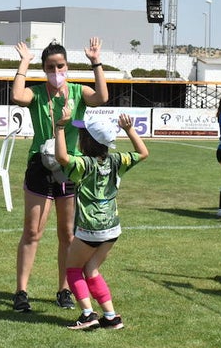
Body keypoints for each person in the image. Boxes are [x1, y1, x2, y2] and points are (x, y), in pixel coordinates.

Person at [11, 38, 109, 313]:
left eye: (61, 66)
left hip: (69, 167)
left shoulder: (78, 92)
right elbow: (17, 96)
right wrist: (24, 62)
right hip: (40, 166)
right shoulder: (37, 94)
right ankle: (21, 291)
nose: (57, 71)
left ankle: (64, 289)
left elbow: (102, 98)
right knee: (32, 231)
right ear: (44, 68)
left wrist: (96, 62)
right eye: (51, 67)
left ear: (67, 66)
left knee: (67, 234)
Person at [53, 105, 148, 330]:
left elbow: (61, 157)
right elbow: (143, 153)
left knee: (73, 268)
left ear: (87, 142)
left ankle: (87, 314)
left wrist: (59, 127)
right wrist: (130, 130)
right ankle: (111, 317)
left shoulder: (84, 164)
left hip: (90, 228)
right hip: (112, 228)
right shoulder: (117, 161)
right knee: (92, 269)